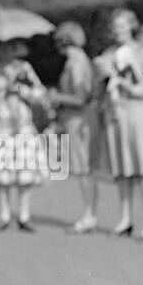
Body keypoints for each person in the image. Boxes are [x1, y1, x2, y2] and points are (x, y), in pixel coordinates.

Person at [94, 7, 143, 240]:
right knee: (122, 169)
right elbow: (100, 88)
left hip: (138, 113)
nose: (118, 31)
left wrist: (134, 89)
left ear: (131, 27)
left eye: (122, 26)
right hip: (116, 115)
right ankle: (125, 218)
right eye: (114, 27)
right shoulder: (108, 54)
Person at [0, 38, 47, 231]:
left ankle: (24, 215)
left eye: (10, 48)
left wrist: (21, 89)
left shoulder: (24, 67)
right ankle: (4, 214)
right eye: (2, 48)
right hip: (1, 124)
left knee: (24, 170)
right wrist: (1, 90)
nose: (6, 52)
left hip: (22, 124)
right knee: (2, 171)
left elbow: (38, 92)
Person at [46, 21, 99, 234]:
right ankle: (90, 214)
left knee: (83, 169)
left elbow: (80, 97)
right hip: (80, 119)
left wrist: (56, 96)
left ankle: (89, 215)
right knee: (86, 170)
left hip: (78, 120)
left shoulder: (75, 63)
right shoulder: (78, 61)